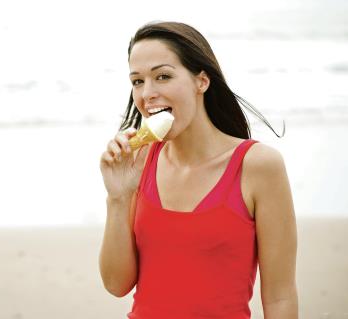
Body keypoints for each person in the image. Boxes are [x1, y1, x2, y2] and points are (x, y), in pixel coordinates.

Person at [98, 21, 298, 318]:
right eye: (137, 81)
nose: (147, 93)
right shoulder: (138, 162)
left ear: (201, 81)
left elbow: (280, 297)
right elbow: (116, 284)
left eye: (163, 76)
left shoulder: (258, 166)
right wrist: (117, 198)